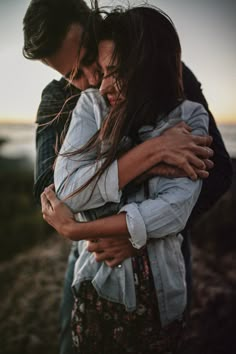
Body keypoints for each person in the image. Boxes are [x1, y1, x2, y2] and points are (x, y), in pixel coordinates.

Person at [22, 1, 232, 353]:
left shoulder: (163, 72)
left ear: (95, 24)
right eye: (73, 74)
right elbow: (54, 194)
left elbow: (218, 170)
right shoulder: (58, 98)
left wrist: (143, 235)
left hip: (166, 247)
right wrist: (152, 155)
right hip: (97, 252)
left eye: (90, 58)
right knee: (72, 343)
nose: (92, 80)